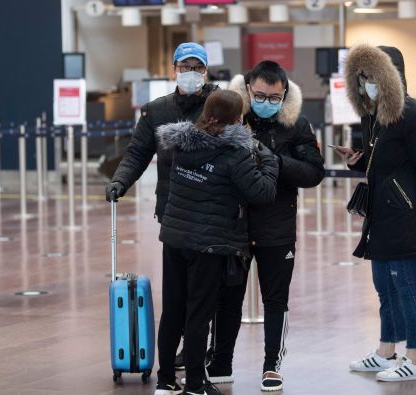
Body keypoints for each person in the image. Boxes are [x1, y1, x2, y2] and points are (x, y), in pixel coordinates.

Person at [205, 61, 325, 392]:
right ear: (247, 90)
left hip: (277, 226)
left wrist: (273, 160)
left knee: (276, 299)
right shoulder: (232, 118)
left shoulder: (296, 125)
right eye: (259, 95)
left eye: (274, 97)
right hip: (235, 227)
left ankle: (272, 364)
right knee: (228, 297)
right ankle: (220, 361)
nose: (266, 101)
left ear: (284, 95)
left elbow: (314, 172)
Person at [104, 42, 217, 381]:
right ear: (173, 71)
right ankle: (173, 364)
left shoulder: (220, 108)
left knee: (206, 294)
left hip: (213, 212)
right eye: (185, 67)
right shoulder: (157, 111)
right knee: (177, 292)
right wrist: (120, 183)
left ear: (206, 72)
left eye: (198, 68)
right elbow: (137, 154)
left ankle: (199, 354)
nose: (191, 74)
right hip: (173, 213)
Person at [154, 90, 279, 395]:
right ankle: (196, 384)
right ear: (237, 119)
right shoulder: (235, 154)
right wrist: (270, 161)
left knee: (172, 310)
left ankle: (165, 381)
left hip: (174, 238)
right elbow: (262, 193)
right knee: (199, 314)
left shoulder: (180, 144)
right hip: (209, 245)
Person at [335, 44, 416, 382]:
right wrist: (358, 162)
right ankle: (387, 350)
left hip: (406, 216)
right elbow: (379, 164)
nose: (368, 82)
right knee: (384, 285)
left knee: (407, 287)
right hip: (380, 213)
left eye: (373, 75)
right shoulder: (372, 115)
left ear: (391, 75)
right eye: (363, 76)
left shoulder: (413, 114)